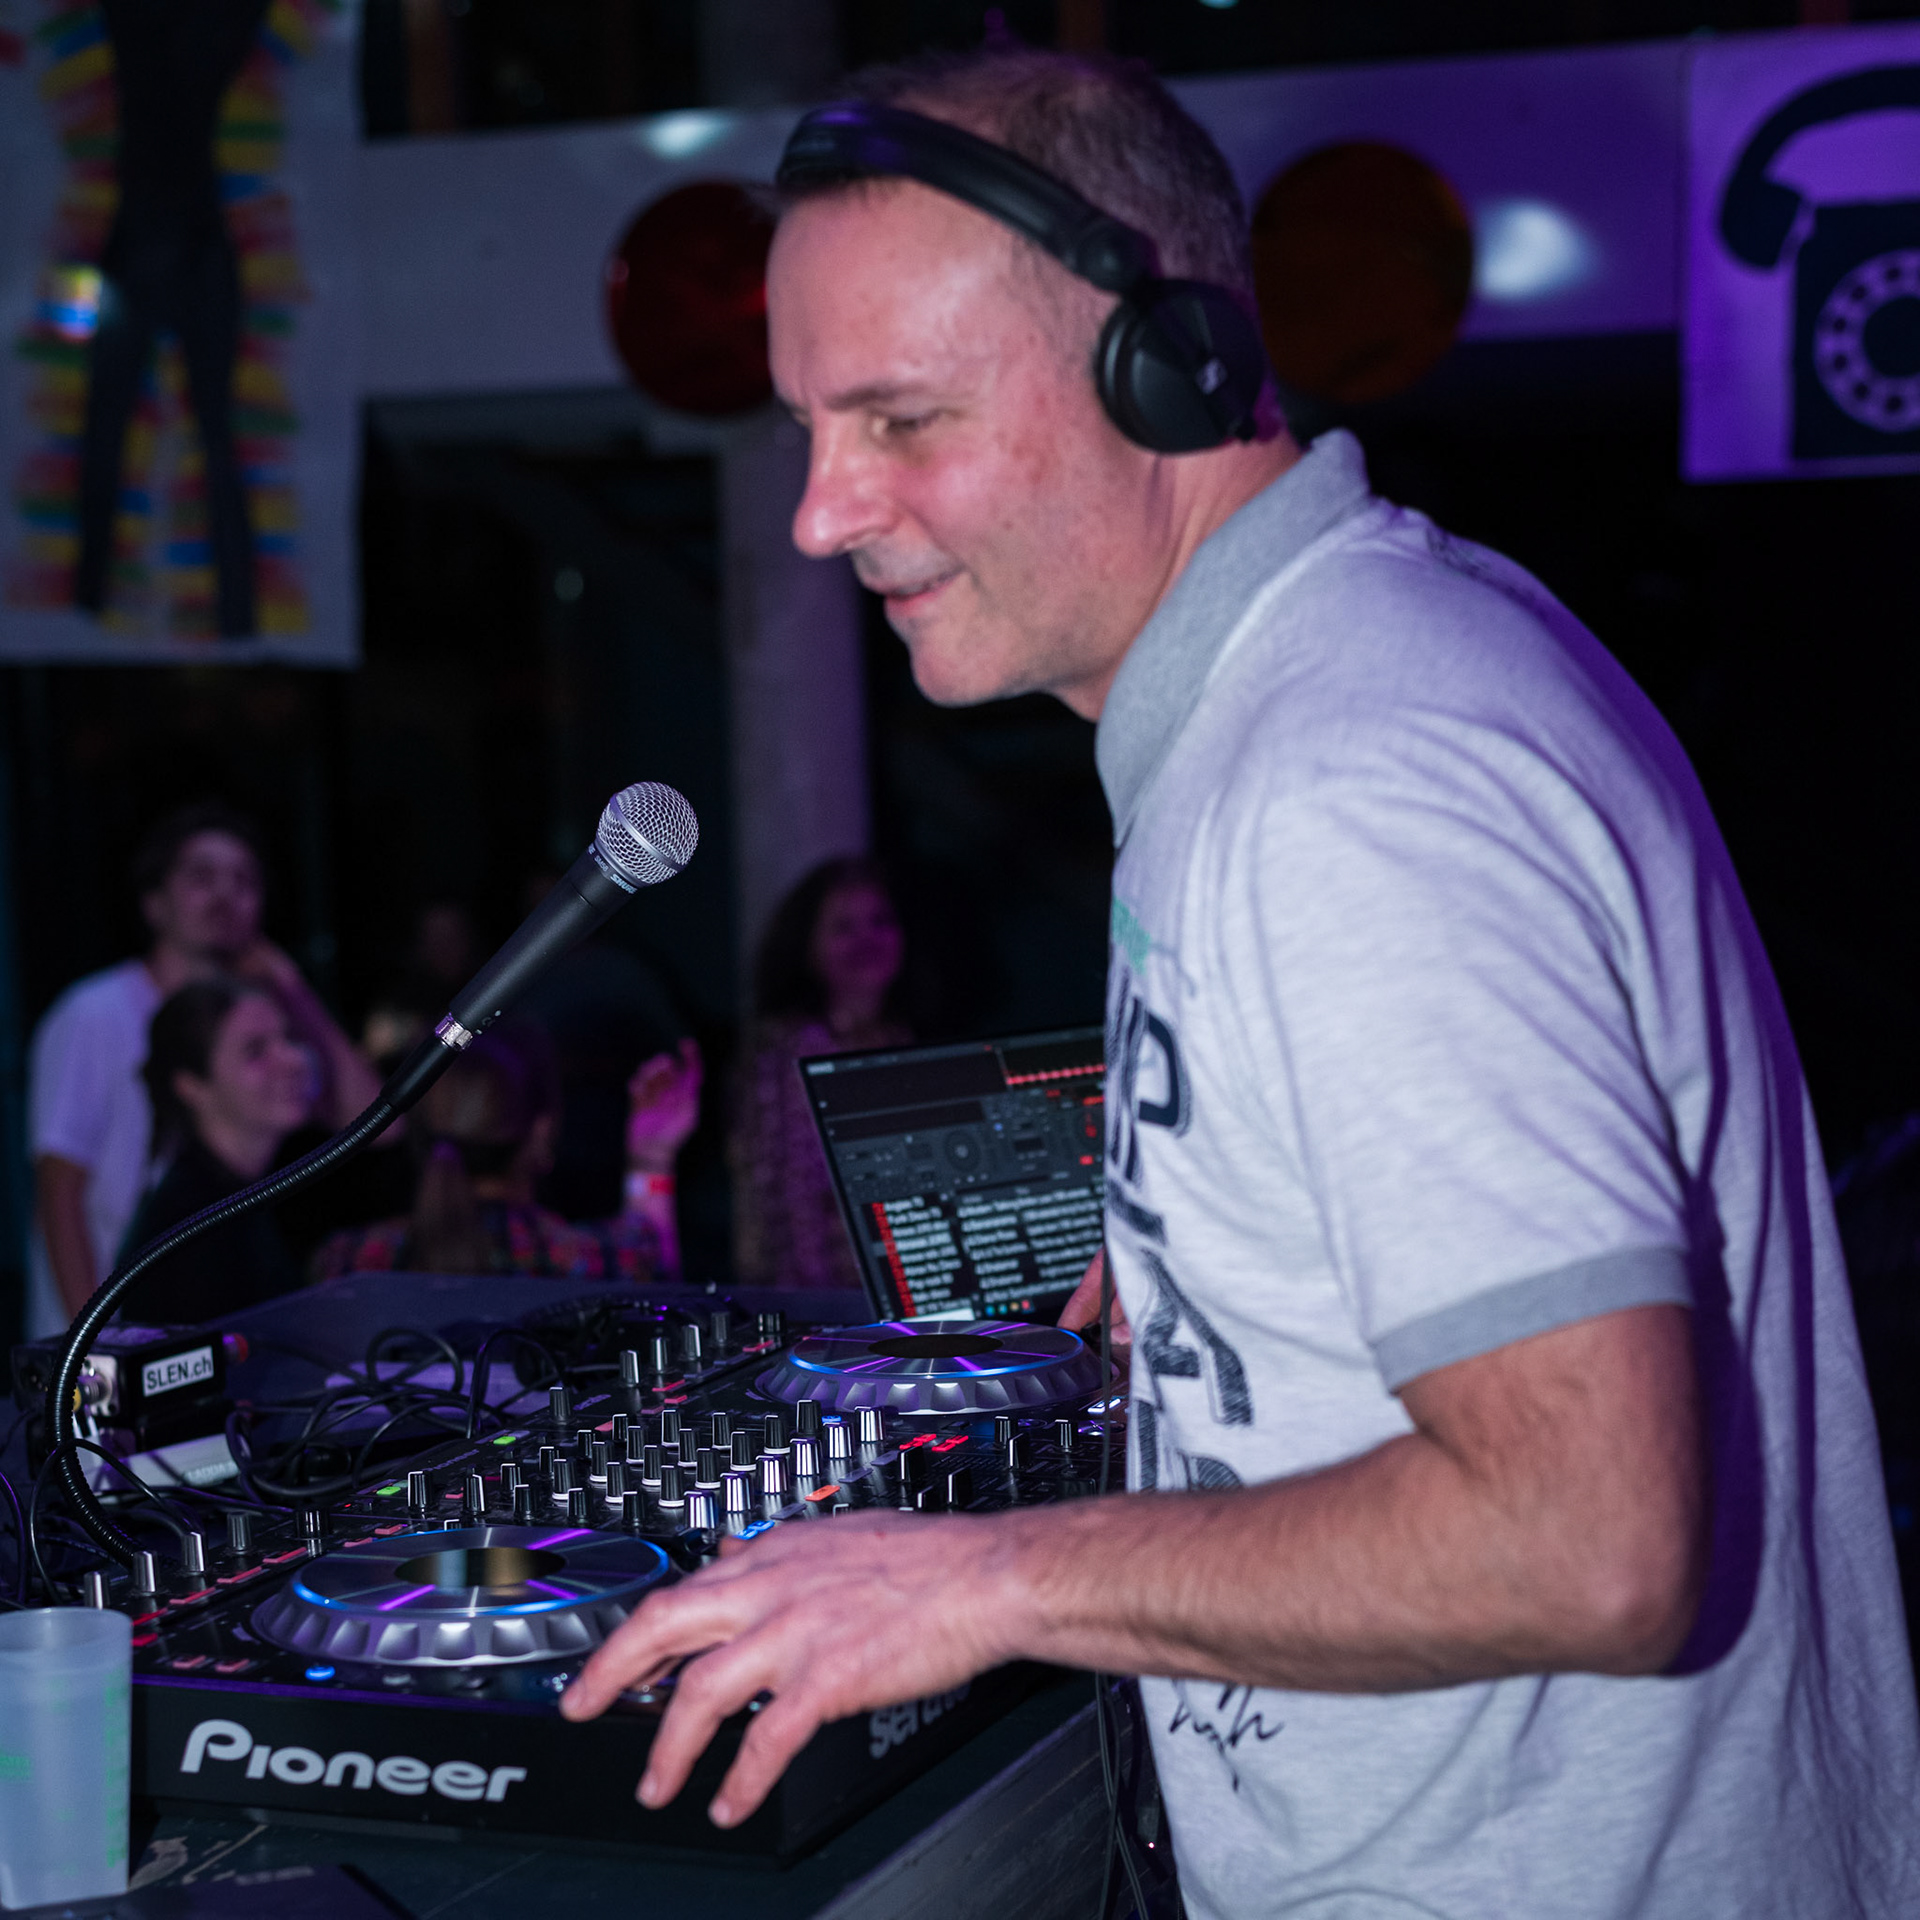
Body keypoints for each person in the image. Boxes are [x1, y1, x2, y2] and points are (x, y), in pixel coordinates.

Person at [558, 47, 1920, 1917]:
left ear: (1170, 369)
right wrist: (1223, 1246)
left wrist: (987, 1578)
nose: (821, 511)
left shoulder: (1350, 787)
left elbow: (1591, 1539)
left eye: (902, 419)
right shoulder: (1345, 672)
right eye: (809, 428)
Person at [27, 803, 377, 1336]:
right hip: (110, 1329)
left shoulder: (257, 1017)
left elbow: (374, 1123)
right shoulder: (95, 1013)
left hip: (194, 1313)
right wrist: (96, 1342)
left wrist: (293, 988)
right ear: (154, 903)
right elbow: (59, 1190)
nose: (225, 896)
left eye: (244, 881)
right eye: (201, 877)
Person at [313, 1022, 701, 1283]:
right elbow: (661, 1299)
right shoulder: (580, 1258)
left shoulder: (350, 1262)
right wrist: (652, 1158)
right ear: (541, 1133)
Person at [729, 857, 909, 1291]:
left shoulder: (899, 1039)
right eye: (844, 927)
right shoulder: (790, 1051)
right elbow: (790, 1206)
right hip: (825, 1304)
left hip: (899, 1296)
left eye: (880, 921)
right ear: (807, 944)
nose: (867, 940)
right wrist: (821, 1315)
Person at [120, 978, 314, 1322]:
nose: (293, 1060)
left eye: (289, 1039)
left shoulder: (269, 1186)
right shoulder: (190, 1224)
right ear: (191, 1086)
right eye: (255, 1051)